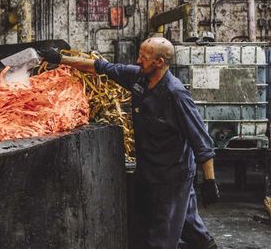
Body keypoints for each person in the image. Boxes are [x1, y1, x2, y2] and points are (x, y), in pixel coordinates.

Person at [38, 37, 220, 249]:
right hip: (150, 168)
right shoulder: (138, 78)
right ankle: (206, 244)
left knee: (160, 235)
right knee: (186, 221)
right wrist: (60, 59)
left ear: (159, 62)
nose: (137, 59)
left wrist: (209, 182)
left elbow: (202, 142)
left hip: (172, 176)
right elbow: (99, 67)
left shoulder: (175, 94)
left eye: (144, 57)